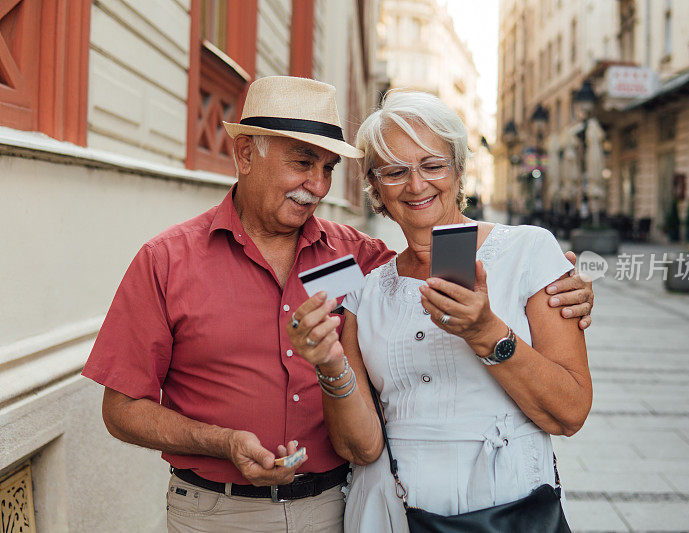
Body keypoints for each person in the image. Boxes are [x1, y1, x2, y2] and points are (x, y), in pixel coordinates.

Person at [82, 77, 594, 533]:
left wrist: (561, 284)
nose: (319, 186)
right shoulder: (169, 261)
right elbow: (121, 410)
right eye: (302, 163)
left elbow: (440, 274)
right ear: (244, 155)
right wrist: (222, 443)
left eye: (327, 167)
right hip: (217, 512)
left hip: (336, 506)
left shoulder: (353, 259)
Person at [289, 91, 592, 532]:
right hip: (390, 511)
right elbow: (361, 447)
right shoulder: (366, 288)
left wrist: (487, 332)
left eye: (432, 165)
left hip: (504, 508)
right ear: (375, 187)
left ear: (457, 169)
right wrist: (329, 364)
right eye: (395, 171)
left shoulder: (530, 250)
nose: (416, 185)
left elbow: (570, 413)